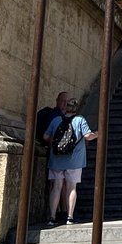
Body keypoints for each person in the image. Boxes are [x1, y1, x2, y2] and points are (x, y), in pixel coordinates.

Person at [43, 97, 100, 226]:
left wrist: (58, 143)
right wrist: (97, 133)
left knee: (56, 188)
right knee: (71, 188)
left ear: (66, 107)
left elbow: (45, 136)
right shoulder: (80, 120)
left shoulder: (56, 120)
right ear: (76, 108)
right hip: (75, 161)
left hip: (56, 159)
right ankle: (69, 217)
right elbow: (88, 136)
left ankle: (52, 217)